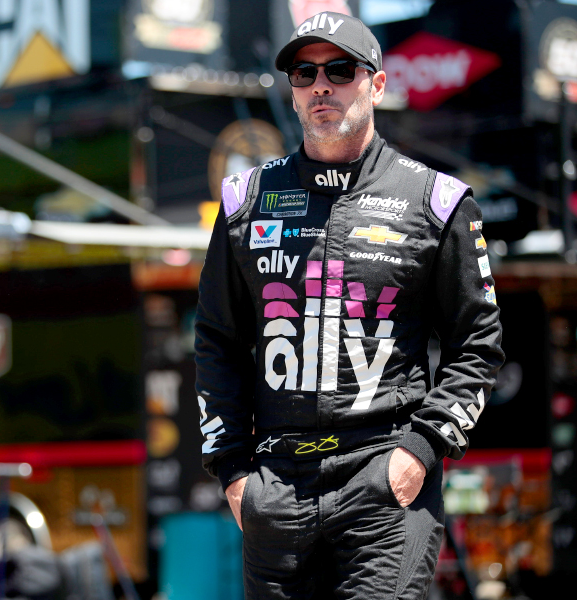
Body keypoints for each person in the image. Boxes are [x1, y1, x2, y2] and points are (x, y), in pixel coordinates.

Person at [195, 12, 504, 599]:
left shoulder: (434, 200)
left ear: (377, 84)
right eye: (304, 73)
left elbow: (478, 345)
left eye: (340, 70)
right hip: (275, 486)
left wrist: (421, 449)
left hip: (384, 479)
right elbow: (217, 338)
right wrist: (233, 472)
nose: (321, 86)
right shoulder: (245, 200)